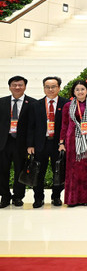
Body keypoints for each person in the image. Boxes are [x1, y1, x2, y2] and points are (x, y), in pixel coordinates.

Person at [27, 76, 67, 208]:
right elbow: (31, 127)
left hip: (58, 145)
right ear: (44, 88)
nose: (50, 89)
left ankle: (56, 197)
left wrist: (64, 143)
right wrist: (30, 145)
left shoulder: (66, 104)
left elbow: (68, 126)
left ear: (59, 88)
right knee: (38, 172)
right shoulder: (35, 105)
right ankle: (38, 198)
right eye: (47, 87)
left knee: (58, 171)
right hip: (40, 144)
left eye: (53, 86)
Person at [59, 80, 87, 207]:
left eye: (83, 89)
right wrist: (61, 142)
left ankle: (86, 198)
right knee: (73, 170)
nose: (80, 92)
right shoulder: (67, 106)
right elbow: (64, 125)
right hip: (72, 141)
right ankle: (73, 199)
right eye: (77, 89)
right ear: (73, 92)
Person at [0, 76, 32, 207]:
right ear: (9, 87)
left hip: (21, 143)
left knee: (20, 170)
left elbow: (32, 126)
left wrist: (31, 144)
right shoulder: (1, 102)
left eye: (20, 85)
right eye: (14, 85)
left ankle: (18, 197)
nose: (17, 87)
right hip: (4, 142)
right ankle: (5, 196)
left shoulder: (32, 103)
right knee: (2, 170)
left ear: (25, 86)